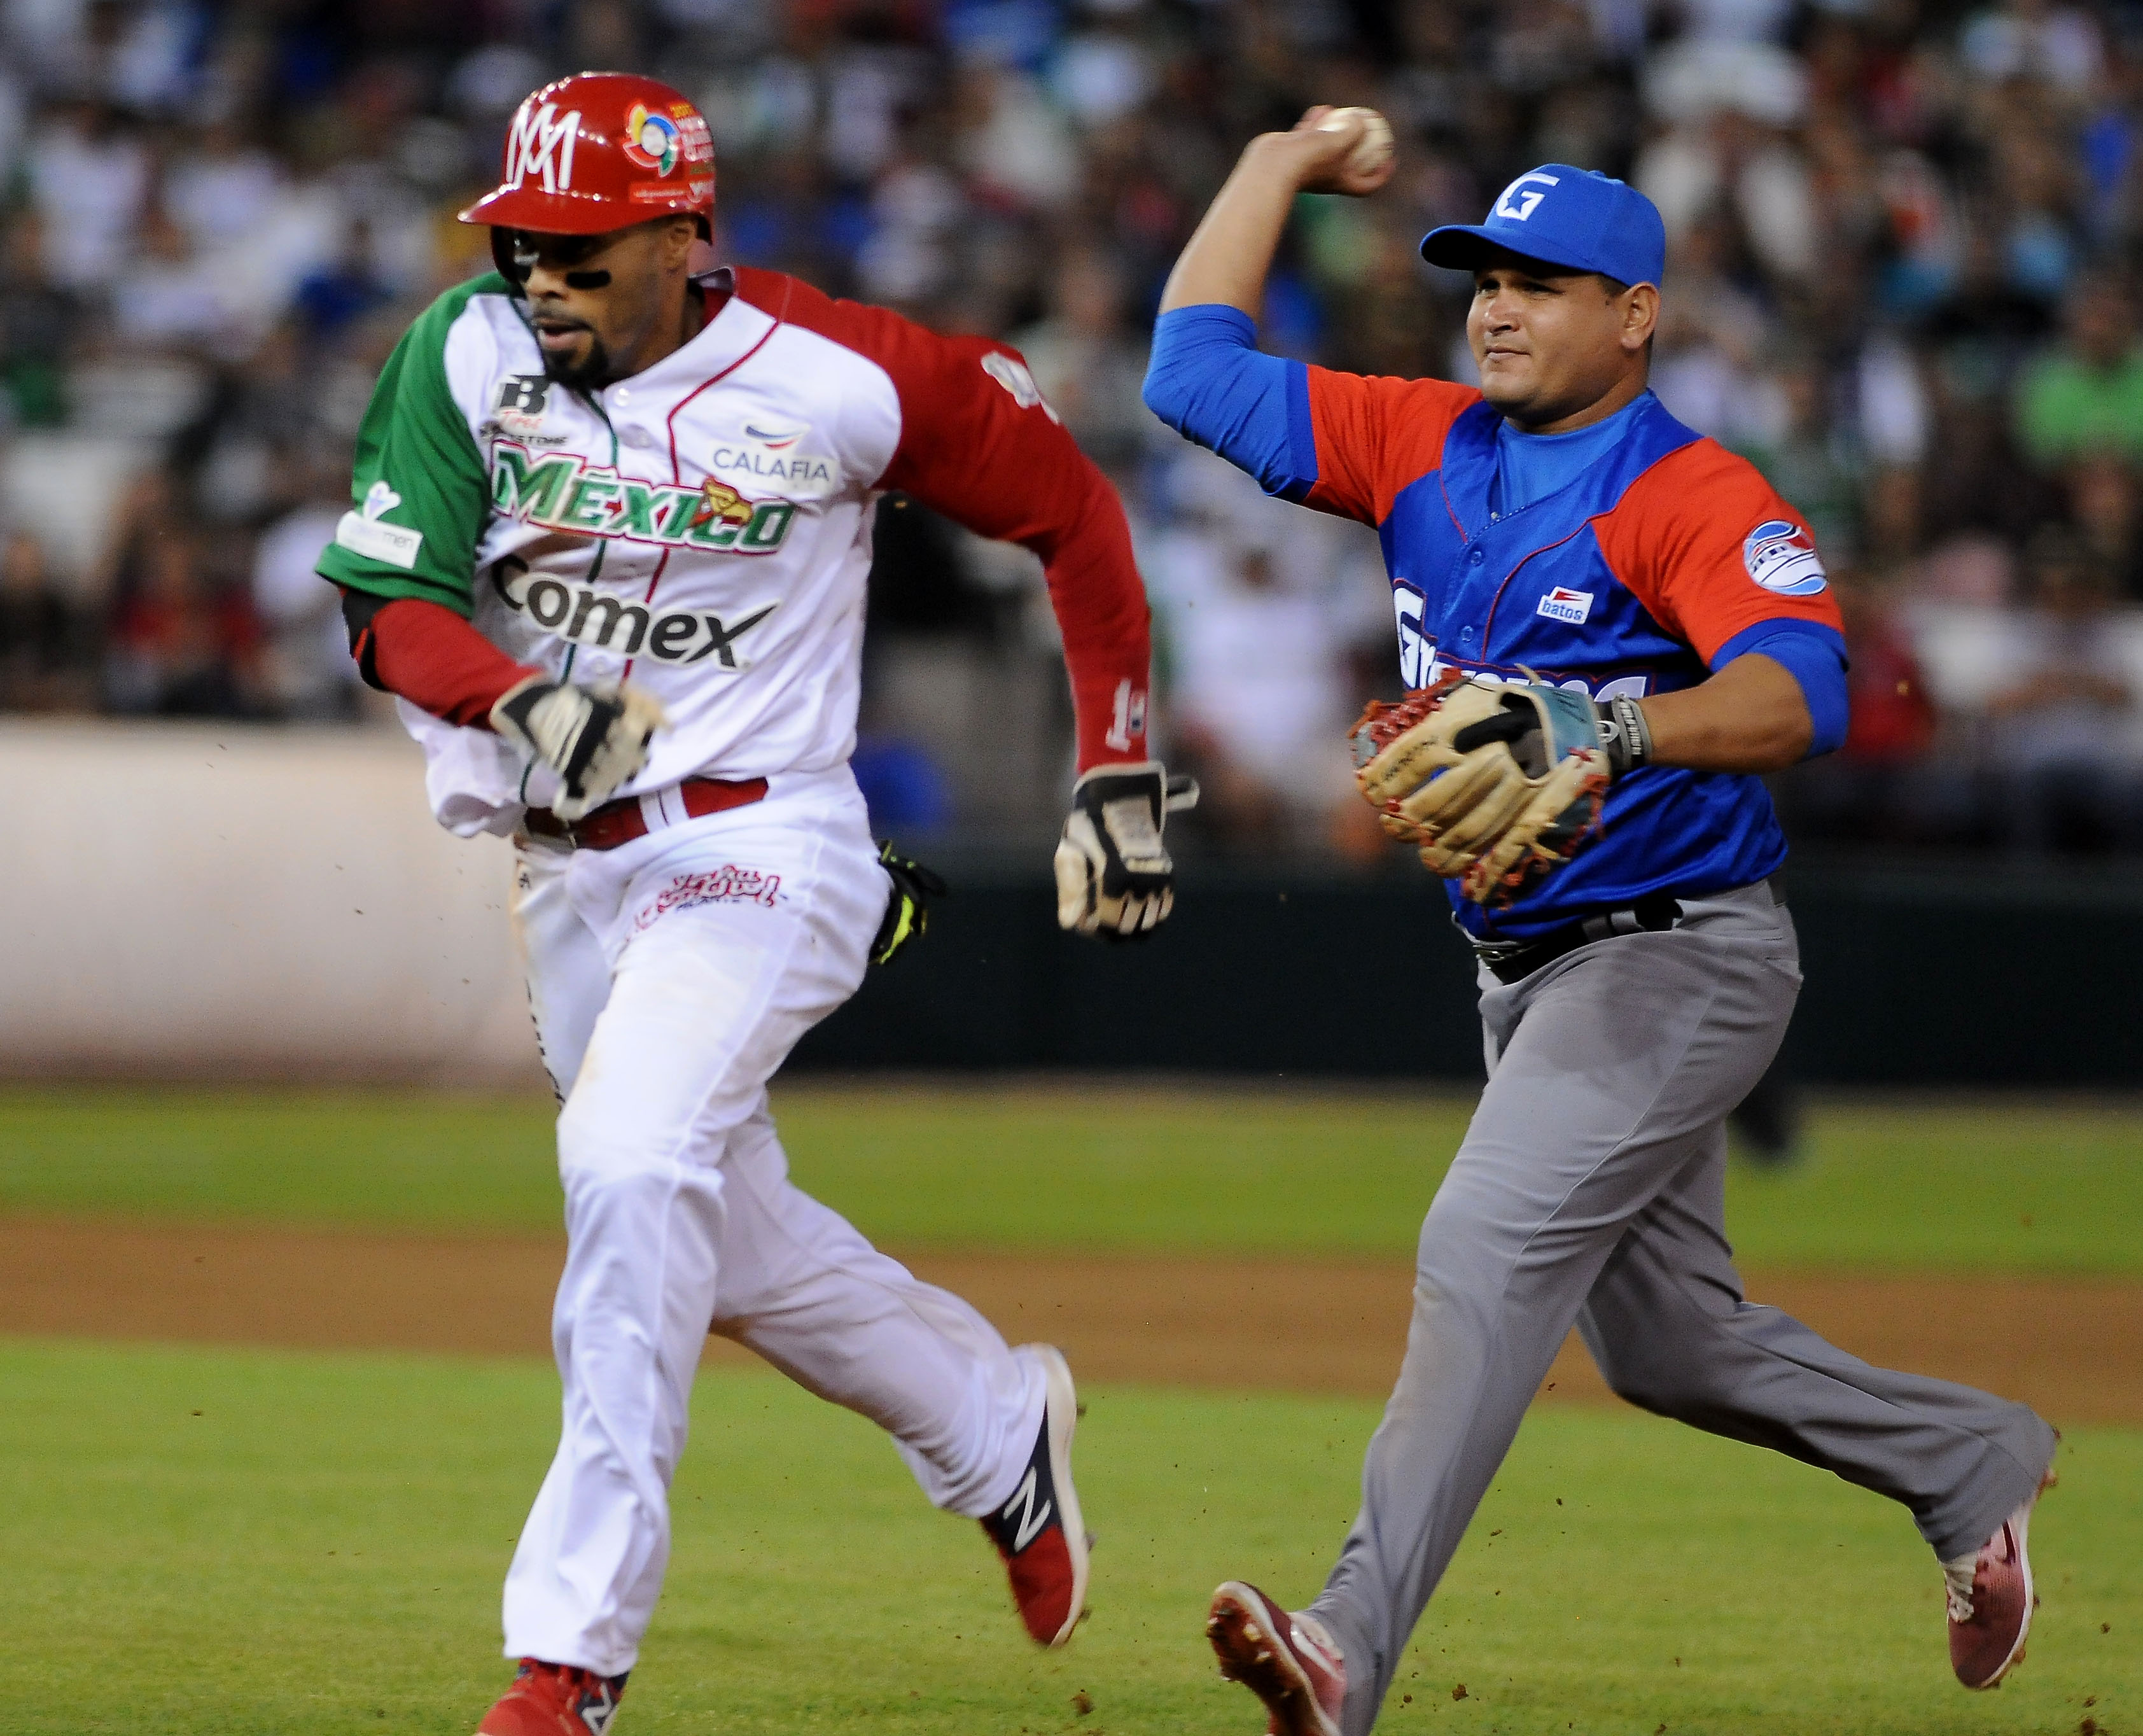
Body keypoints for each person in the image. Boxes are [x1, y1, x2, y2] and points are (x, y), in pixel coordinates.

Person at [1142, 113, 2058, 1736]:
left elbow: (1804, 690)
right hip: (1525, 967)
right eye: (1483, 278)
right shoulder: (1419, 440)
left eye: (1544, 284)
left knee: (1479, 1244)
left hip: (1679, 949)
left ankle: (1344, 1645)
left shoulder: (1685, 491)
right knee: (1671, 1345)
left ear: (1634, 312)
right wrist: (1274, 162)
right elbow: (1190, 368)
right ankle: (1966, 1458)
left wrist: (1611, 726)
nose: (1496, 307)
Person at [316, 73, 1189, 1736]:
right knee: (723, 1233)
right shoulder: (463, 351)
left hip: (765, 842)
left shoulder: (846, 374)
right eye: (521, 243)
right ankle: (997, 1431)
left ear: (682, 233)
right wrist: (512, 699)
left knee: (633, 1162)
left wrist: (1119, 767)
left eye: (580, 250)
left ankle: (568, 1665)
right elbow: (386, 602)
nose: (540, 279)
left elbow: (1073, 515)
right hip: (569, 862)